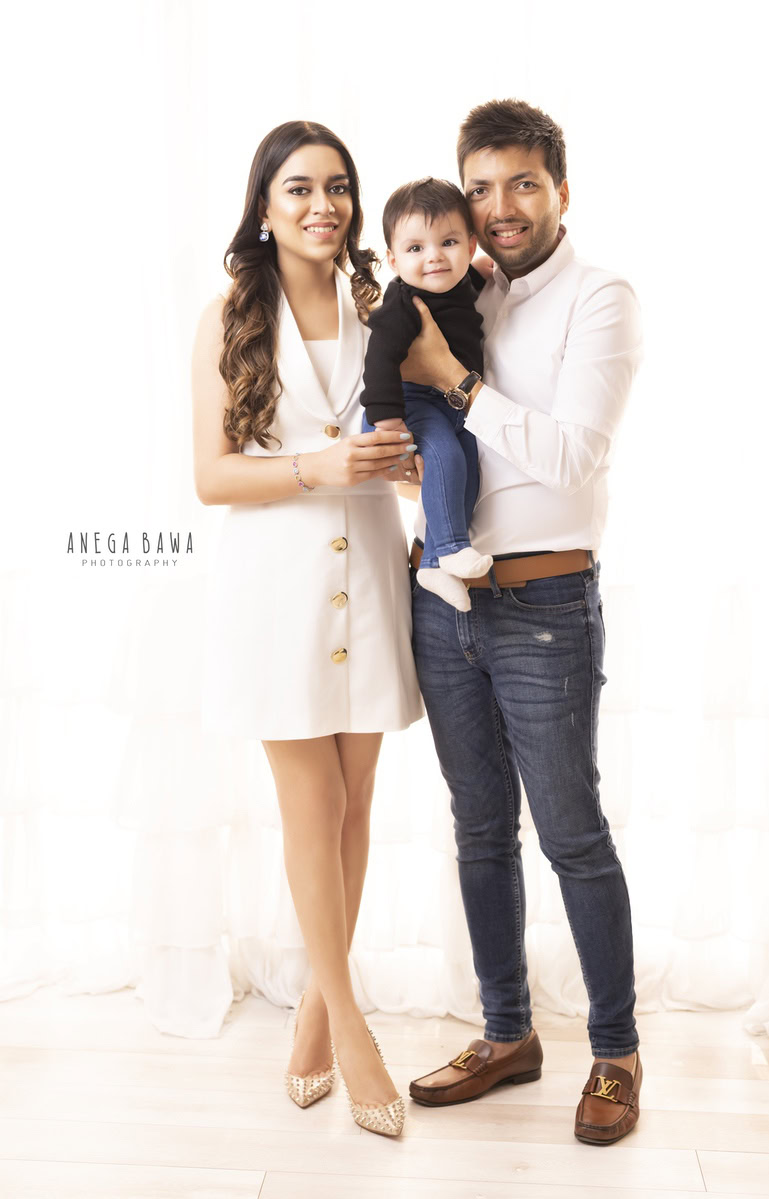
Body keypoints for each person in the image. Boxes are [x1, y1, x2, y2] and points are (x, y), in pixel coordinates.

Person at [401, 99, 645, 1146]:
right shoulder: (457, 288)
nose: (498, 209)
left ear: (559, 191)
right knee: (475, 828)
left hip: (544, 605)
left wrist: (448, 381)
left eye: (520, 185)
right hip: (445, 603)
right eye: (481, 186)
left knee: (571, 834)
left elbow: (566, 457)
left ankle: (615, 1049)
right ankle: (507, 1033)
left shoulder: (600, 298)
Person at [191, 120, 424, 1138]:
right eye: (299, 189)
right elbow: (208, 476)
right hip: (276, 589)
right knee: (312, 802)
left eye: (337, 187)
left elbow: (415, 435)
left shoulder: (382, 307)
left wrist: (411, 461)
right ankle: (353, 1028)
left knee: (356, 802)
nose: (322, 204)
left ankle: (314, 1019)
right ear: (264, 207)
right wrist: (313, 468)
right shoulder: (227, 317)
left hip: (369, 574)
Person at [360, 178, 490, 611]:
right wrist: (388, 422)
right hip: (408, 405)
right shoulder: (403, 303)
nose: (434, 256)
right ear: (394, 260)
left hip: (452, 406)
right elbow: (378, 359)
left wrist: (486, 271)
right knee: (445, 458)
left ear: (471, 246)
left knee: (469, 466)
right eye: (416, 249)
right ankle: (452, 546)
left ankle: (434, 564)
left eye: (448, 242)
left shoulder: (460, 281)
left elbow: (465, 278)